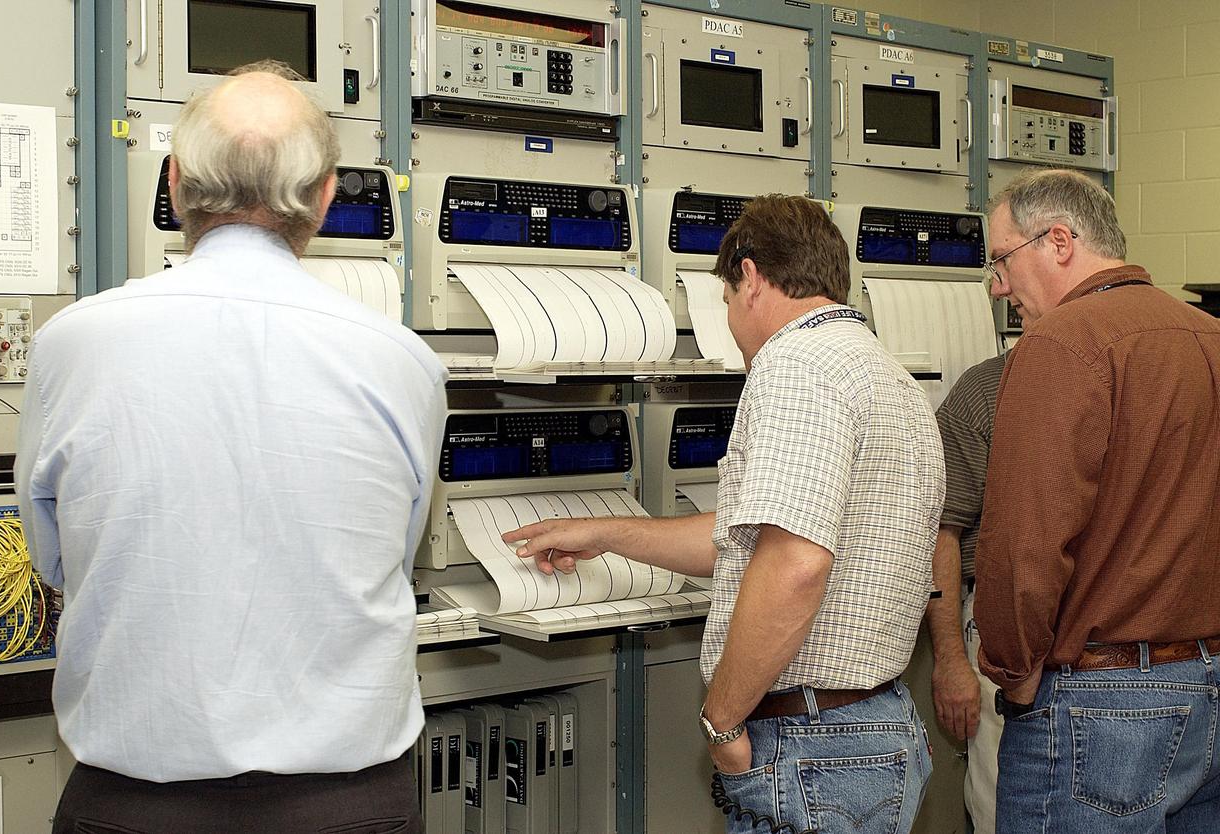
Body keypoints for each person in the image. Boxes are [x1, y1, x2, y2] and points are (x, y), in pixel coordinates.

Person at [15, 62, 445, 833]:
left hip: (131, 806)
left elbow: (56, 561)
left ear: (175, 183)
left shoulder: (70, 345)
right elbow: (393, 553)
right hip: (348, 809)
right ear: (324, 194)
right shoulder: (403, 360)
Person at [504, 195, 943, 833]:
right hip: (872, 730)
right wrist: (608, 531)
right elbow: (750, 542)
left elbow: (795, 563)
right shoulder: (888, 374)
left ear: (752, 277)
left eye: (729, 301)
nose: (734, 324)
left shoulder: (794, 365)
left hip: (810, 747)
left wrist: (723, 719)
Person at [975, 168, 1220, 832]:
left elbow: (1025, 541)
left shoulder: (1063, 343)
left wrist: (1012, 670)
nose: (999, 286)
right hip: (1208, 691)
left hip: (1102, 704)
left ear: (1058, 240)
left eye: (1001, 260)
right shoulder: (1209, 336)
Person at [928, 350, 1008, 833]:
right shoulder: (984, 393)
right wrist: (952, 659)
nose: (998, 286)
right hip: (999, 618)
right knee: (1001, 805)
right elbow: (943, 534)